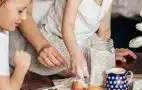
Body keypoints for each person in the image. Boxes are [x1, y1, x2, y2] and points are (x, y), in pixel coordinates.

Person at [9, 0, 137, 80]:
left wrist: (105, 52)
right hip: (46, 36)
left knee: (95, 64)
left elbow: (104, 31)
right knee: (82, 67)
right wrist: (42, 45)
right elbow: (20, 12)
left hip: (78, 40)